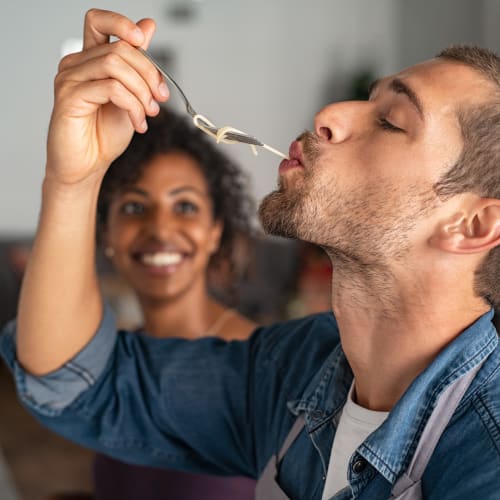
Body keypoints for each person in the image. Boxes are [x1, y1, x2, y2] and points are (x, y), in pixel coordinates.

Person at [1, 8, 500, 500]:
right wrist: (74, 178)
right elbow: (74, 384)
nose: (329, 114)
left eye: (391, 121)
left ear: (473, 225)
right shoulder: (298, 371)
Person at [51, 106, 258, 500]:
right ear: (106, 232)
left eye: (185, 206)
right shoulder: (111, 361)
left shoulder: (260, 365)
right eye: (134, 207)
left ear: (215, 231)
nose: (160, 229)